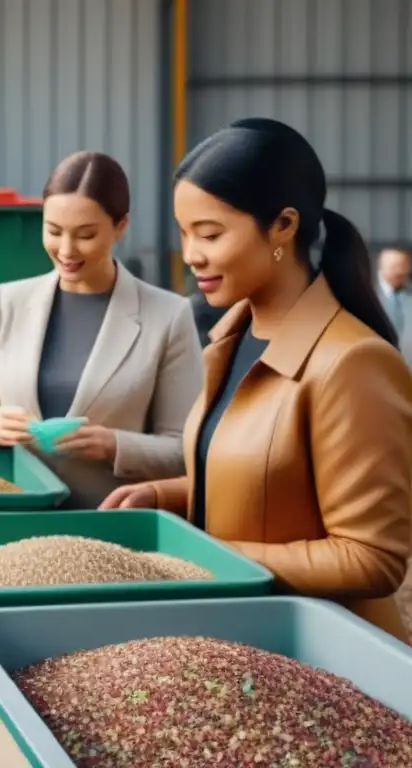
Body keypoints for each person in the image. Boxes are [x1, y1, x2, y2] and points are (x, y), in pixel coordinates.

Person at [101, 118, 412, 641]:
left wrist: (203, 555)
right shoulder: (229, 340)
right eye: (185, 233)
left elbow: (372, 558)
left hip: (322, 660)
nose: (192, 253)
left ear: (283, 226)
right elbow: (268, 488)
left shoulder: (352, 363)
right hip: (238, 637)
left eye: (211, 233)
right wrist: (165, 496)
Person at [0, 151, 204, 508]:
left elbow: (186, 447)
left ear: (121, 225)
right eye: (53, 231)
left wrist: (114, 445)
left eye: (86, 235)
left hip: (109, 520)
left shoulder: (168, 316)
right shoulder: (7, 301)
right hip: (14, 515)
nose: (66, 250)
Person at [376, 245, 412, 362]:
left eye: (403, 266)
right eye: (394, 267)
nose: (400, 271)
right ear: (382, 267)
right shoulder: (367, 295)